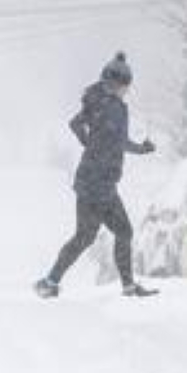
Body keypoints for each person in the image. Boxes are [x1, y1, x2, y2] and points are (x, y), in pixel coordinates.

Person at [36, 52, 159, 298]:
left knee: (84, 237)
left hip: (87, 180)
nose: (126, 91)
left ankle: (49, 282)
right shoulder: (114, 107)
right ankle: (128, 286)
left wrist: (88, 142)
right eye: (126, 86)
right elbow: (118, 141)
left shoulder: (94, 100)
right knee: (123, 232)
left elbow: (76, 124)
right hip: (101, 183)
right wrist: (141, 149)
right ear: (120, 84)